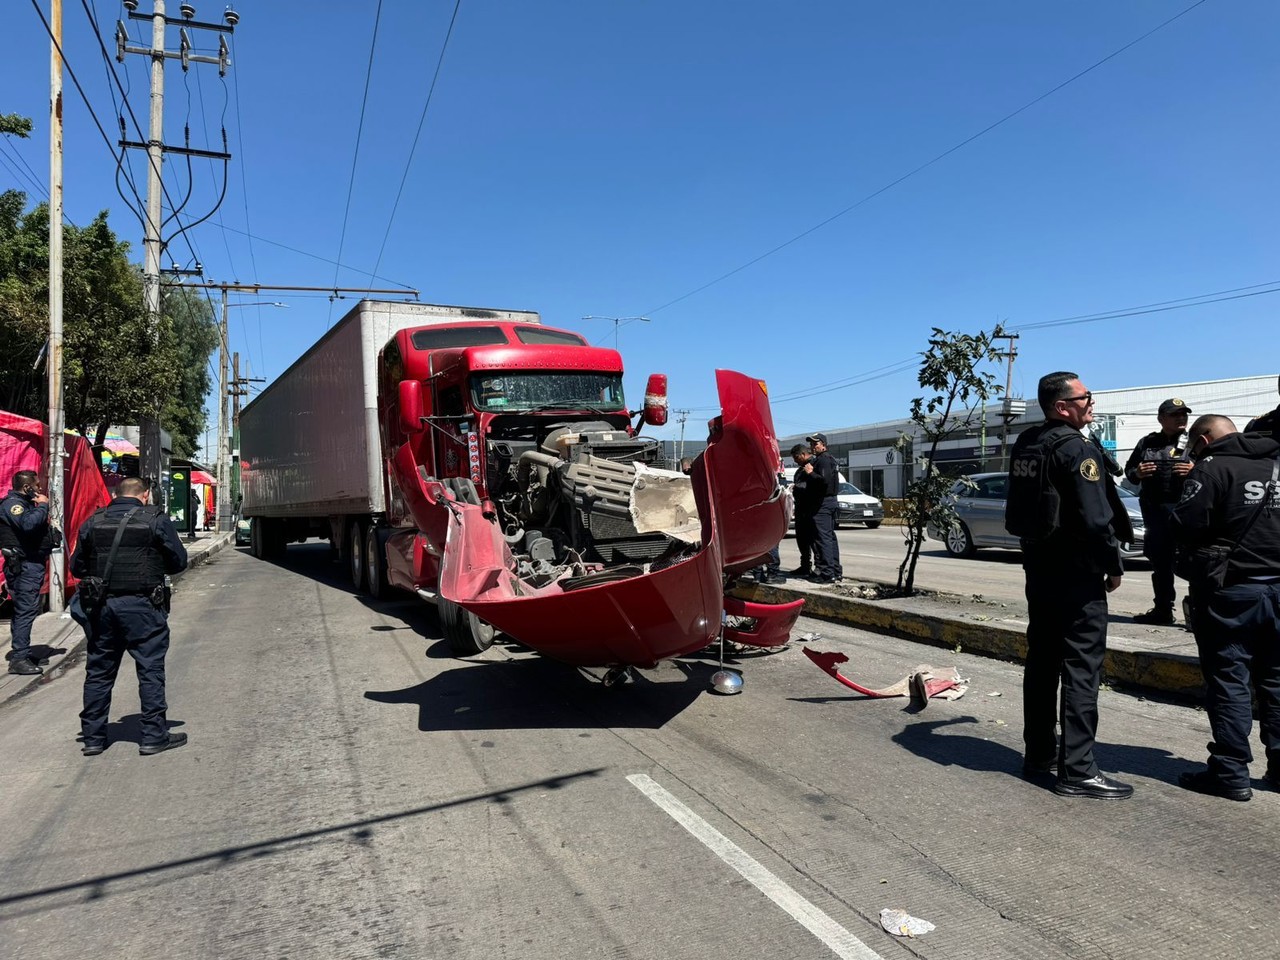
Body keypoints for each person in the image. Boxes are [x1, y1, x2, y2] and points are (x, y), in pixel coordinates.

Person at [1004, 372, 1134, 799]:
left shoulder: (1028, 444)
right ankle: (1078, 770)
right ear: (1063, 406)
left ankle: (1039, 753)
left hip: (1040, 568)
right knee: (1081, 666)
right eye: (1086, 398)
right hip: (1076, 572)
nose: (1091, 404)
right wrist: (1113, 564)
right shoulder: (1075, 449)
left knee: (1042, 660)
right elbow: (1096, 519)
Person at [1169, 414, 1280, 801]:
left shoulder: (1212, 468)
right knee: (1277, 679)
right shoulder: (1276, 462)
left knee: (1230, 679)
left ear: (1202, 440)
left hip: (1231, 592)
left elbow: (1185, 523)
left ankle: (1230, 772)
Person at [71, 476, 189, 757]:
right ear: (145, 494)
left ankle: (93, 739)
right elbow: (178, 562)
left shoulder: (94, 520)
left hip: (101, 608)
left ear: (115, 493)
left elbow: (77, 567)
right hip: (143, 606)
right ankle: (153, 736)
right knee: (150, 670)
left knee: (98, 673)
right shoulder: (155, 520)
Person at [1123, 398, 1194, 625]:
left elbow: (1215, 470)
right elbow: (1130, 471)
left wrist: (1195, 470)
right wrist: (1138, 472)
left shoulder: (1195, 441)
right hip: (1156, 513)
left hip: (1186, 512)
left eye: (1184, 414)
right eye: (1176, 415)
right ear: (1161, 419)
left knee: (1194, 563)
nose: (1181, 418)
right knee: (1160, 564)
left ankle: (1198, 613)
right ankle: (1163, 610)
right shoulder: (1147, 442)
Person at [1, 470, 57, 675]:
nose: (40, 489)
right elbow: (28, 524)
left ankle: (21, 652)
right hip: (24, 566)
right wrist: (43, 505)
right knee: (26, 611)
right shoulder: (12, 505)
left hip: (29, 564)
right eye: (37, 485)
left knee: (24, 611)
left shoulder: (24, 504)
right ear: (27, 487)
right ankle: (19, 658)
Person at [805, 433, 843, 583]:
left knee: (824, 539)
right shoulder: (826, 459)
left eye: (816, 444)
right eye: (811, 444)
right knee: (829, 537)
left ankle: (827, 573)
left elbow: (824, 482)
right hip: (828, 502)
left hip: (823, 503)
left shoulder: (823, 460)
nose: (813, 447)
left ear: (824, 445)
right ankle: (835, 571)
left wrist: (810, 473)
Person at [788, 444, 822, 577]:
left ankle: (818, 567)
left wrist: (798, 487)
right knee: (802, 539)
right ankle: (804, 566)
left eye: (796, 457)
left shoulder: (813, 465)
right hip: (801, 508)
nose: (795, 461)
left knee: (814, 540)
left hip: (811, 508)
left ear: (803, 454)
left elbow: (814, 485)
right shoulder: (799, 470)